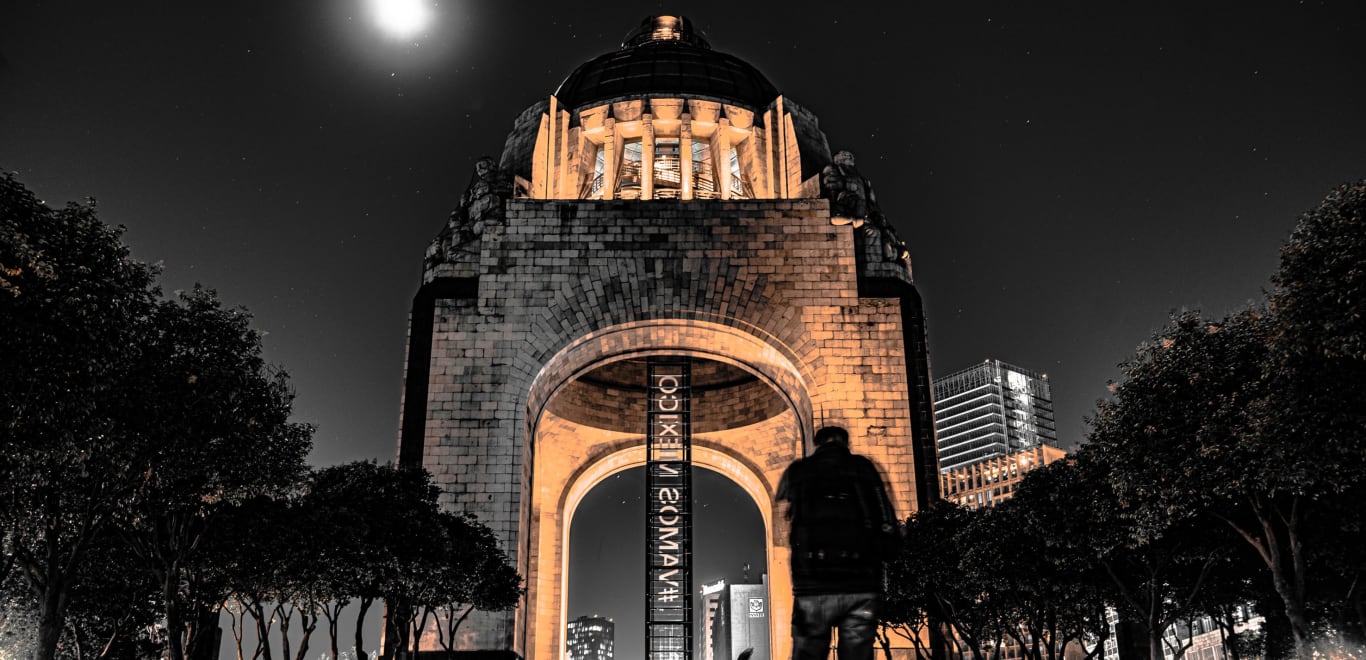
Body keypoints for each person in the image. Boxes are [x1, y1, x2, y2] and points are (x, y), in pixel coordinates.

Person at [777, 426, 898, 660]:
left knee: (808, 654)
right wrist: (886, 557)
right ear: (846, 442)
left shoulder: (798, 471)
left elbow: (780, 524)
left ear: (817, 444)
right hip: (861, 583)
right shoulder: (864, 468)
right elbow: (887, 522)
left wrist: (797, 568)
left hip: (812, 585)